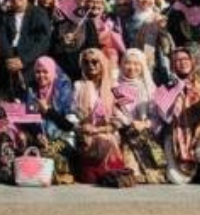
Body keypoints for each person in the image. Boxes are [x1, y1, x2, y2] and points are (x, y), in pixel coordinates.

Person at [160, 47, 200, 185]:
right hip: (175, 137)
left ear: (192, 61)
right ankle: (190, 171)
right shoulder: (166, 86)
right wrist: (176, 92)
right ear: (172, 65)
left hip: (198, 134)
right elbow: (164, 116)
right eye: (177, 61)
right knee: (178, 180)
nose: (182, 63)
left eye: (185, 59)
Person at [73, 48, 127, 184]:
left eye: (95, 62)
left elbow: (123, 117)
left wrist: (102, 129)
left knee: (105, 139)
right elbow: (73, 113)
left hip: (108, 131)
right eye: (86, 62)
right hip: (86, 133)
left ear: (102, 63)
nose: (90, 65)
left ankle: (109, 173)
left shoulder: (114, 87)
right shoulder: (78, 86)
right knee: (90, 178)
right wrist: (82, 125)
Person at [113, 49, 166, 183]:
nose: (132, 68)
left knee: (155, 177)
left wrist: (144, 124)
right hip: (123, 132)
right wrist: (127, 123)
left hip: (145, 134)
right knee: (132, 174)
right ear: (121, 64)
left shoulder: (149, 87)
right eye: (128, 63)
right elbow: (112, 112)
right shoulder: (114, 85)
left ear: (143, 66)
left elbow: (157, 116)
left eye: (137, 64)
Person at [0, 0, 51, 101]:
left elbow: (43, 42)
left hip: (31, 67)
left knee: (30, 108)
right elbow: (2, 39)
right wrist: (11, 59)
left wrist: (23, 60)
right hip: (10, 68)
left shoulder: (38, 13)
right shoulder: (5, 17)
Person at [26, 56, 77, 185]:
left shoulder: (64, 89)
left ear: (53, 72)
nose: (41, 75)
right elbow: (30, 119)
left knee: (44, 155)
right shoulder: (32, 90)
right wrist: (38, 134)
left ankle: (64, 174)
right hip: (43, 139)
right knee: (28, 155)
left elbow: (68, 126)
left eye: (45, 71)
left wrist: (48, 111)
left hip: (63, 139)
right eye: (38, 72)